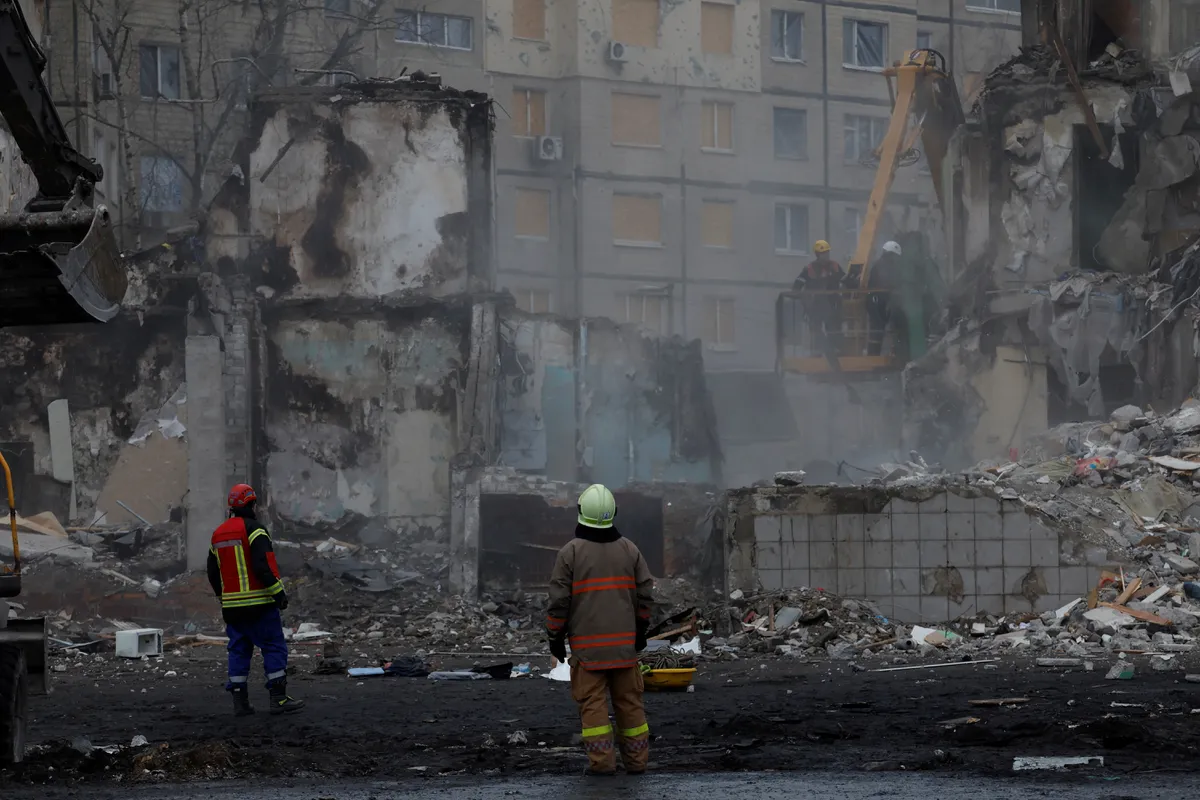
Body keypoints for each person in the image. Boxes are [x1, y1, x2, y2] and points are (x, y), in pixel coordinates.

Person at [545, 484, 655, 776]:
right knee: (630, 705)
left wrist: (555, 638)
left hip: (588, 651)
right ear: (613, 514)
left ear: (581, 512)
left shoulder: (570, 553)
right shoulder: (630, 550)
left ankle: (602, 764)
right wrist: (641, 630)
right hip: (624, 649)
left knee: (592, 706)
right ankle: (637, 762)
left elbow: (559, 604)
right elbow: (646, 595)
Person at [207, 483, 305, 716]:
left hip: (232, 608)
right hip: (259, 605)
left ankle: (240, 703)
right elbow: (263, 566)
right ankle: (278, 699)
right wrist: (279, 593)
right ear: (251, 504)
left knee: (239, 651)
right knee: (273, 647)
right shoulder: (255, 531)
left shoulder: (218, 534)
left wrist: (223, 597)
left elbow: (212, 572)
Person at [792, 240, 847, 355]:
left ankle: (838, 351)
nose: (826, 255)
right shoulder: (810, 269)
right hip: (815, 304)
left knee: (834, 328)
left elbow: (845, 279)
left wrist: (855, 280)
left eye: (827, 252)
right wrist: (798, 294)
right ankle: (818, 351)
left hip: (833, 303)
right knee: (815, 329)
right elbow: (798, 283)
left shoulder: (835, 266)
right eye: (823, 253)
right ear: (817, 254)